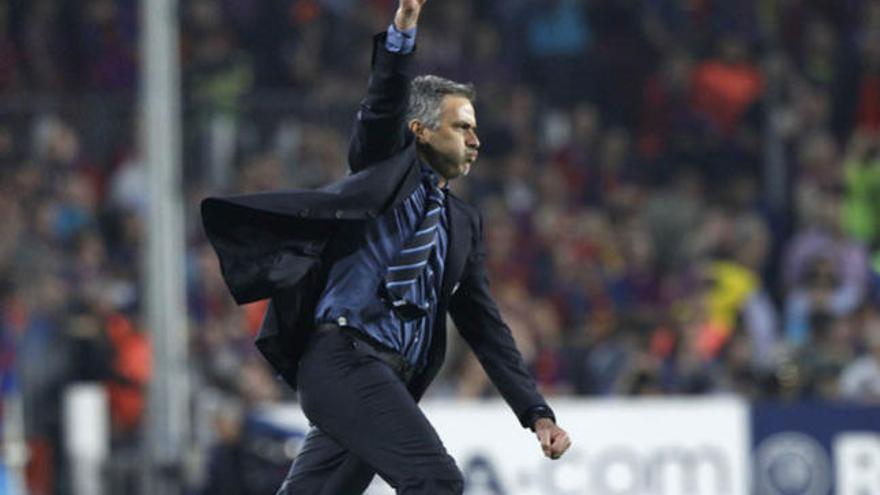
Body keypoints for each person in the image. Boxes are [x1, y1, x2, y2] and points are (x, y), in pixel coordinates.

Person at [201, 1, 571, 493]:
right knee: (436, 481)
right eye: (462, 126)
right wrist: (402, 32)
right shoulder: (384, 169)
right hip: (343, 358)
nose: (475, 140)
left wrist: (536, 412)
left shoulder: (463, 223)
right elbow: (382, 106)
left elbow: (485, 328)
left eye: (476, 129)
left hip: (384, 382)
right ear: (418, 130)